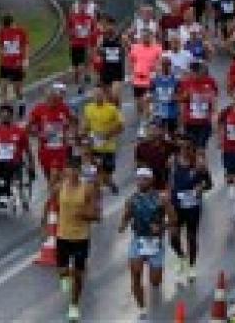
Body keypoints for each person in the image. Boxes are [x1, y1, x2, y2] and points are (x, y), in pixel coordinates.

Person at [120, 166, 174, 321]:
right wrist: (123, 224)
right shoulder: (132, 199)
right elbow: (126, 216)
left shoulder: (161, 198)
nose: (141, 181)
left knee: (155, 281)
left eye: (144, 178)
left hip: (156, 244)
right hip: (138, 241)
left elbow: (174, 220)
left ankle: (156, 281)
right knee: (136, 275)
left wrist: (161, 226)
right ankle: (142, 308)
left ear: (151, 180)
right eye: (139, 178)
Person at [54, 156, 102, 322]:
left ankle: (74, 305)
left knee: (78, 274)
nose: (72, 173)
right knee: (62, 271)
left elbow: (97, 215)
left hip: (81, 237)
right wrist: (45, 223)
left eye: (75, 170)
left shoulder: (87, 189)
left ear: (79, 171)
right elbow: (52, 205)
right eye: (69, 169)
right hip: (62, 235)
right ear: (65, 171)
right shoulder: (60, 187)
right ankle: (64, 277)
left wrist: (85, 215)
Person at [168, 139, 212, 282]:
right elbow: (169, 181)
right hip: (176, 205)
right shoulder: (173, 163)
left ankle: (192, 267)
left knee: (191, 237)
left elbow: (209, 184)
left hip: (192, 206)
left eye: (187, 148)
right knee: (173, 237)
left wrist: (201, 188)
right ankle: (181, 257)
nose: (184, 151)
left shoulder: (200, 166)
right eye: (181, 148)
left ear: (192, 150)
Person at [0, 103, 35, 209]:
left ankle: (5, 193)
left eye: (7, 114)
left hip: (14, 161)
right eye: (3, 114)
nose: (5, 116)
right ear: (0, 116)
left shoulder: (20, 132)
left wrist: (31, 165)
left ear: (11, 115)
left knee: (8, 170)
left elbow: (28, 150)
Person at [28, 84, 76, 185]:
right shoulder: (39, 109)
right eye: (49, 99)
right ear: (45, 99)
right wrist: (39, 134)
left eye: (54, 98)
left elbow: (74, 121)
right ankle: (55, 193)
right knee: (49, 178)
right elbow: (28, 128)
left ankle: (57, 196)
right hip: (45, 150)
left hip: (61, 149)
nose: (52, 102)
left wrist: (71, 133)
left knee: (56, 175)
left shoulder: (63, 108)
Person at [82, 85, 124, 196]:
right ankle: (96, 191)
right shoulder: (88, 108)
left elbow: (121, 127)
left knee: (106, 173)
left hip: (108, 147)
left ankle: (110, 183)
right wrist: (84, 135)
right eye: (95, 95)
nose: (97, 97)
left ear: (104, 96)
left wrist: (108, 135)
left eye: (99, 95)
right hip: (94, 146)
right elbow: (86, 125)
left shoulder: (112, 109)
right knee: (94, 170)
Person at [178, 58, 219, 150]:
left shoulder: (210, 82)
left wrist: (215, 118)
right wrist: (186, 96)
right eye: (194, 71)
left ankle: (202, 162)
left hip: (205, 122)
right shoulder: (186, 83)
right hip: (190, 121)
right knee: (191, 148)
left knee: (201, 149)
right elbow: (181, 101)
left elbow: (214, 100)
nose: (197, 74)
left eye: (200, 70)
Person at [0, 14, 30, 111]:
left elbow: (26, 45)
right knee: (3, 86)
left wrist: (26, 60)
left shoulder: (20, 32)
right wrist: (2, 56)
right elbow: (0, 46)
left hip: (17, 64)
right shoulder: (1, 32)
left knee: (17, 89)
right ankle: (5, 106)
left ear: (12, 23)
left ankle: (21, 101)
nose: (6, 28)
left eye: (7, 26)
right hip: (5, 64)